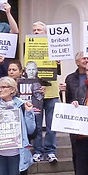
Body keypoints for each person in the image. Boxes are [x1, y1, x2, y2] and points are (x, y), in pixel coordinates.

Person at [30, 21, 60, 164]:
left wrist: (58, 62)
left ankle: (50, 151)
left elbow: (57, 72)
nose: (36, 32)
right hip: (36, 93)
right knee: (36, 125)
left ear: (46, 33)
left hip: (52, 92)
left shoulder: (55, 49)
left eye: (39, 30)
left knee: (51, 125)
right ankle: (37, 151)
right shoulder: (29, 48)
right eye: (34, 30)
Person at [7, 60, 35, 175]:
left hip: (25, 125)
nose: (11, 72)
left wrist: (40, 91)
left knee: (24, 155)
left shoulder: (28, 84)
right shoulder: (3, 85)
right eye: (9, 70)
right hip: (9, 127)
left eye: (14, 70)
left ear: (20, 71)